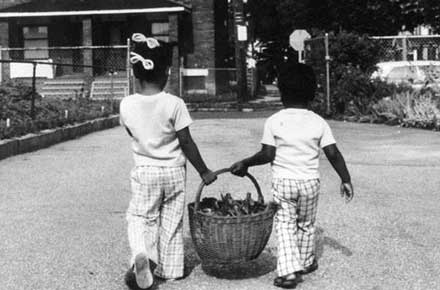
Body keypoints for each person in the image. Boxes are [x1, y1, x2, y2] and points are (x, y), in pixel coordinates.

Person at [230, 62, 354, 289]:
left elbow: (267, 154)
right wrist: (345, 179)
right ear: (312, 94)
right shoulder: (318, 122)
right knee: (306, 223)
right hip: (310, 183)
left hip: (284, 182)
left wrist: (246, 163)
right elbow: (333, 153)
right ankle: (306, 262)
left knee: (285, 224)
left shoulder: (275, 121)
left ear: (281, 93)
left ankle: (288, 271)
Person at [120, 33, 216, 289]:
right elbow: (186, 140)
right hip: (173, 171)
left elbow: (132, 133)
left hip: (145, 171)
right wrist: (204, 170)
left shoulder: (126, 104)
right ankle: (172, 270)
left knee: (142, 216)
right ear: (168, 72)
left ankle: (144, 255)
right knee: (172, 221)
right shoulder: (174, 103)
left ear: (135, 73)